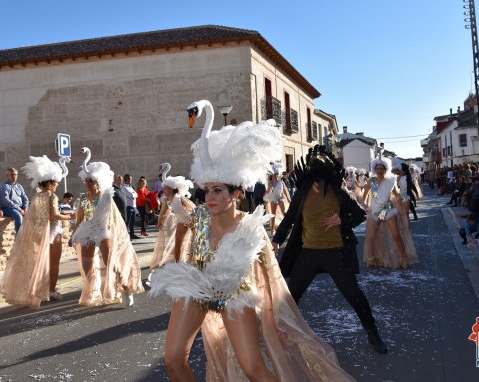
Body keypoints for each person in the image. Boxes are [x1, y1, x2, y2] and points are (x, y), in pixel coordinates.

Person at [151, 100, 356, 381]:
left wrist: (276, 318)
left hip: (236, 294)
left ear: (236, 194)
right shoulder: (199, 218)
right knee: (173, 360)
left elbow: (271, 276)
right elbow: (179, 210)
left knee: (253, 368)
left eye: (218, 190)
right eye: (207, 190)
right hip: (196, 288)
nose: (210, 197)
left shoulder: (250, 227)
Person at [273, 145, 388, 355]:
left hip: (336, 253)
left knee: (355, 296)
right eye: (315, 182)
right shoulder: (303, 193)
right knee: (290, 298)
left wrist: (340, 220)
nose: (318, 186)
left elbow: (360, 214)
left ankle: (373, 334)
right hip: (308, 253)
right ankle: (281, 336)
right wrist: (276, 240)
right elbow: (289, 218)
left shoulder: (338, 191)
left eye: (321, 182)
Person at [70, 151, 144, 306]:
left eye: (91, 181)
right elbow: (80, 217)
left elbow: (114, 217)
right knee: (86, 265)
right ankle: (93, 292)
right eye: (86, 180)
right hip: (87, 230)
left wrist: (114, 234)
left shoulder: (105, 196)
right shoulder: (83, 198)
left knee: (111, 263)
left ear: (98, 182)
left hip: (103, 230)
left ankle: (125, 289)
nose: (88, 183)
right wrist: (73, 234)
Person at [0, 156, 72, 306]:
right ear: (51, 182)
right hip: (52, 232)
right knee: (54, 262)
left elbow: (32, 216)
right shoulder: (52, 196)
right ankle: (51, 290)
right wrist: (69, 215)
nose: (58, 184)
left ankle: (40, 289)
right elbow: (53, 215)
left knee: (40, 262)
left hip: (39, 233)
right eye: (57, 182)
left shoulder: (37, 196)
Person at [362, 156, 417, 269]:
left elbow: (397, 195)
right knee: (371, 236)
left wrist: (401, 208)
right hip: (375, 210)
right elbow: (365, 193)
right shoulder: (371, 181)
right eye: (377, 168)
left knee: (396, 235)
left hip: (387, 210)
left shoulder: (390, 181)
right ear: (374, 169)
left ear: (385, 169)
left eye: (382, 168)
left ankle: (404, 257)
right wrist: (364, 204)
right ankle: (372, 258)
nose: (380, 170)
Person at [148, 174, 195, 280]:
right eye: (164, 187)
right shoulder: (167, 200)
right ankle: (178, 266)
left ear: (173, 189)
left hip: (193, 224)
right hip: (182, 222)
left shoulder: (179, 198)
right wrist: (160, 222)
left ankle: (193, 266)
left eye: (166, 188)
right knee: (177, 244)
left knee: (193, 246)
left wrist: (196, 225)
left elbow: (193, 208)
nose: (164, 189)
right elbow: (163, 212)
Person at [0, 167, 29, 233]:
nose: (14, 176)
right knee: (18, 216)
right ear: (7, 176)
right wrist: (19, 209)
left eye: (15, 174)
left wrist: (25, 207)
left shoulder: (19, 186)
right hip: (7, 208)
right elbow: (5, 200)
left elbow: (25, 198)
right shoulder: (4, 186)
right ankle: (19, 237)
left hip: (20, 208)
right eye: (12, 175)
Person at [263, 165, 291, 234]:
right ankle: (272, 230)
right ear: (271, 175)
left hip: (280, 198)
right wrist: (264, 196)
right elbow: (268, 191)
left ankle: (287, 225)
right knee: (273, 214)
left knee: (284, 212)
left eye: (276, 174)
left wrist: (288, 199)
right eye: (273, 174)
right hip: (274, 199)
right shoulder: (271, 183)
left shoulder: (281, 181)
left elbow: (285, 191)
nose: (275, 175)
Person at [122, 174, 138, 239]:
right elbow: (130, 195)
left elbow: (136, 194)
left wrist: (133, 195)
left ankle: (132, 234)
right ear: (126, 179)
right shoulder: (124, 187)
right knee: (127, 221)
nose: (131, 180)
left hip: (133, 206)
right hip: (128, 206)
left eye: (131, 179)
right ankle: (126, 235)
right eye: (129, 179)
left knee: (132, 221)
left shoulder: (130, 187)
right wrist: (133, 195)